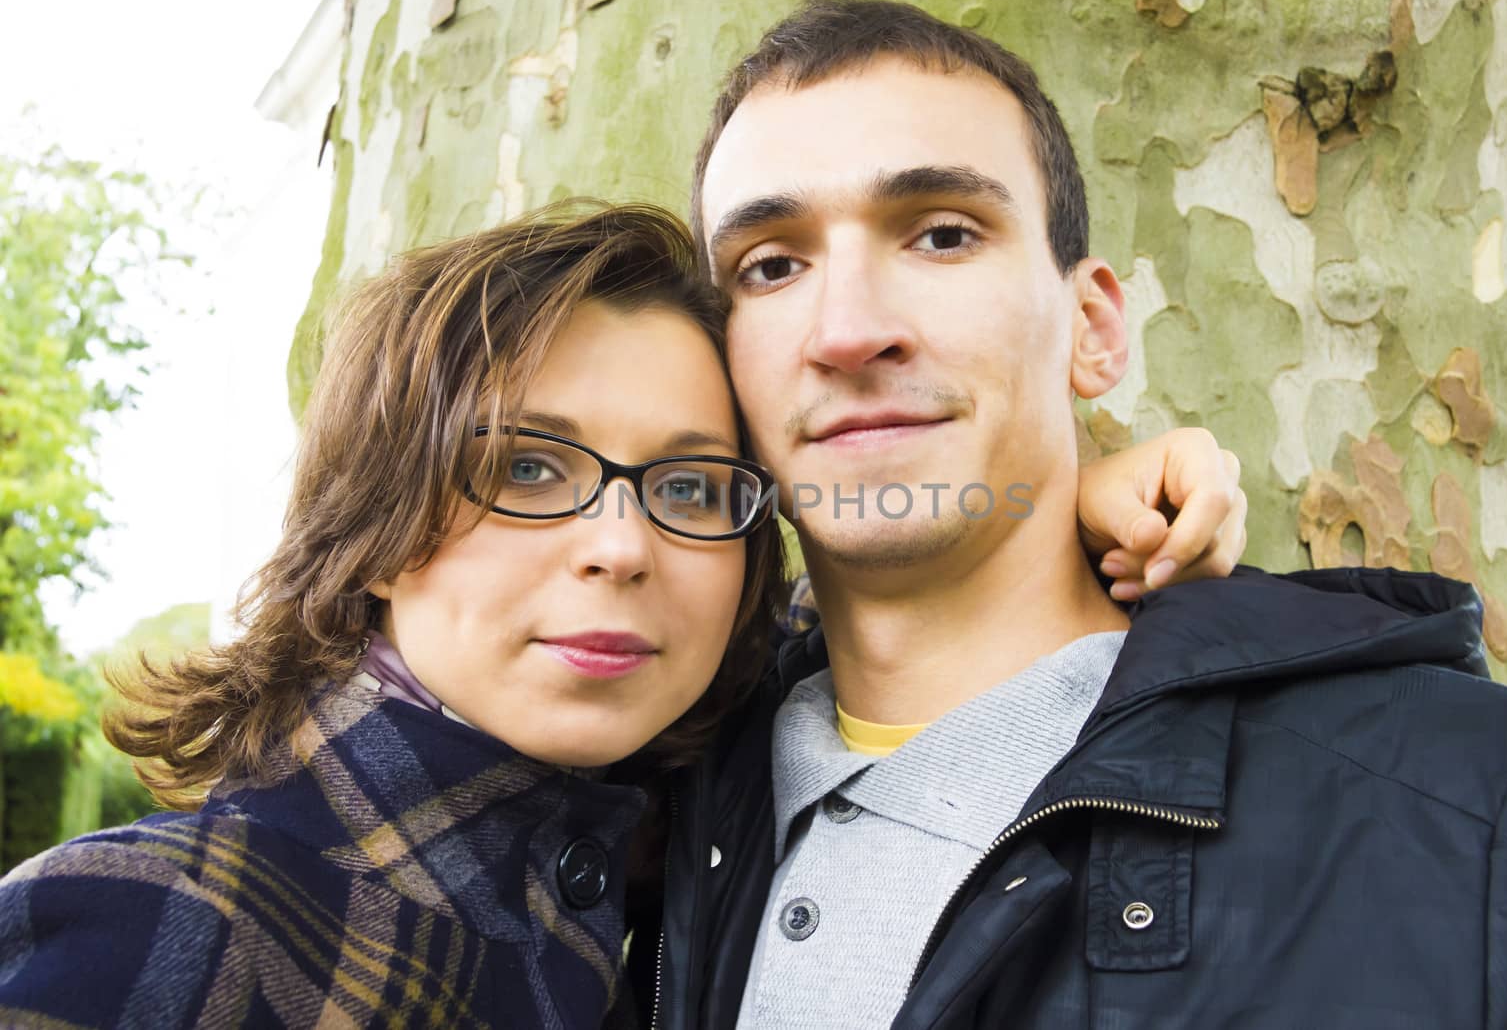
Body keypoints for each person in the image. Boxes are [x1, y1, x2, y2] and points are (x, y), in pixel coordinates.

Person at [0, 202, 1241, 1027]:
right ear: (371, 517)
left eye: (692, 485)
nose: (622, 546)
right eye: (526, 467)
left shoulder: (718, 829)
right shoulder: (143, 925)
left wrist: (1058, 506)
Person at [649, 0, 1507, 1030]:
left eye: (939, 233)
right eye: (772, 265)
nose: (847, 330)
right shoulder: (628, 797)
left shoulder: (1501, 805)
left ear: (1094, 327)